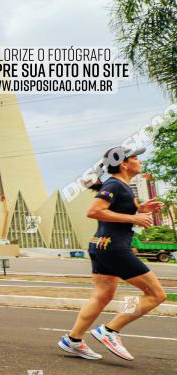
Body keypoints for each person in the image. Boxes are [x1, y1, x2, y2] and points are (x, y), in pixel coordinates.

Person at [58, 146, 167, 361]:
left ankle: (73, 340)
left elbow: (116, 212)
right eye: (135, 157)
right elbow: (94, 211)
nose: (139, 160)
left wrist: (140, 209)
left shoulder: (122, 187)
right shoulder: (115, 184)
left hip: (100, 245)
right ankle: (110, 330)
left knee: (102, 295)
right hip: (114, 247)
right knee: (156, 295)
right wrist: (134, 218)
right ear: (124, 164)